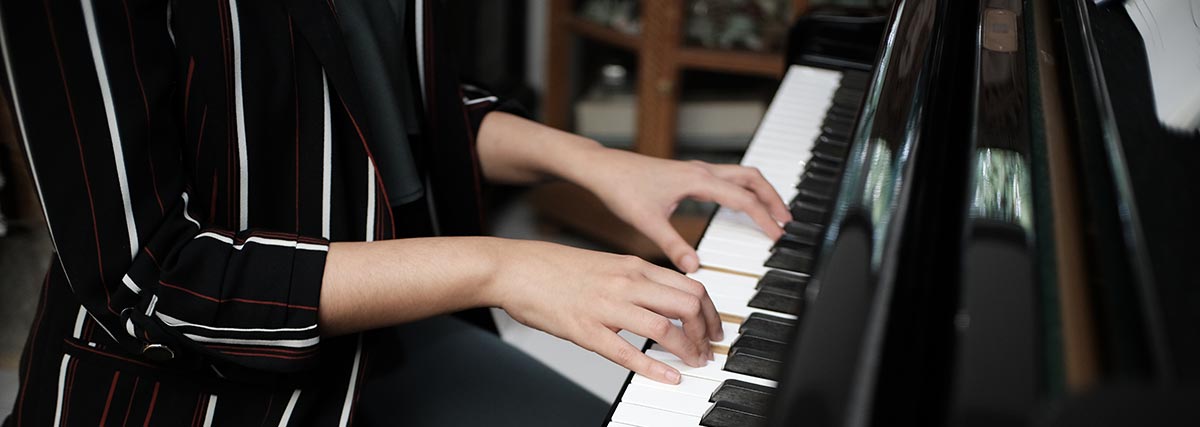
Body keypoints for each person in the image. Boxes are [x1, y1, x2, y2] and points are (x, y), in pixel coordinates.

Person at [0, 0, 790, 425]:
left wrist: (593, 160)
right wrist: (502, 265)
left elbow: (398, 113)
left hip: (379, 348)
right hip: (200, 391)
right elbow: (155, 275)